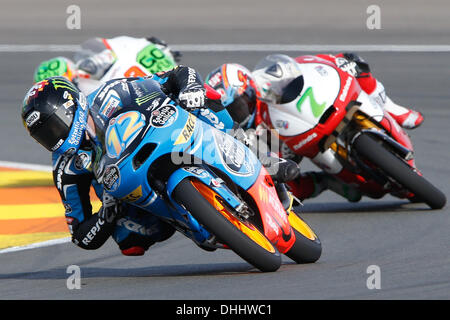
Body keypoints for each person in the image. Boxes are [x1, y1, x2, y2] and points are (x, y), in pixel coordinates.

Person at [21, 65, 208, 256]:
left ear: (70, 108)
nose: (53, 137)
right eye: (44, 135)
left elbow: (177, 73)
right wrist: (107, 214)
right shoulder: (65, 167)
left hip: (166, 138)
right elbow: (79, 235)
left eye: (53, 127)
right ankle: (190, 220)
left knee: (206, 97)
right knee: (128, 239)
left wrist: (190, 88)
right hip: (132, 191)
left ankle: (236, 138)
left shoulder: (111, 93)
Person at [205, 52, 424, 202]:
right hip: (306, 145)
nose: (238, 113)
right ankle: (326, 183)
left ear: (249, 88)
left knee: (354, 62)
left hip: (326, 108)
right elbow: (264, 164)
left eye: (238, 104)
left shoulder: (268, 75)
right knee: (282, 185)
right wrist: (277, 159)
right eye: (231, 111)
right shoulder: (247, 132)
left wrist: (338, 61)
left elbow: (309, 63)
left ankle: (396, 111)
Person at [33, 35, 182, 95]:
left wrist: (149, 42)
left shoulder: (87, 65)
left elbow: (111, 47)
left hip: (151, 62)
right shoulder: (82, 94)